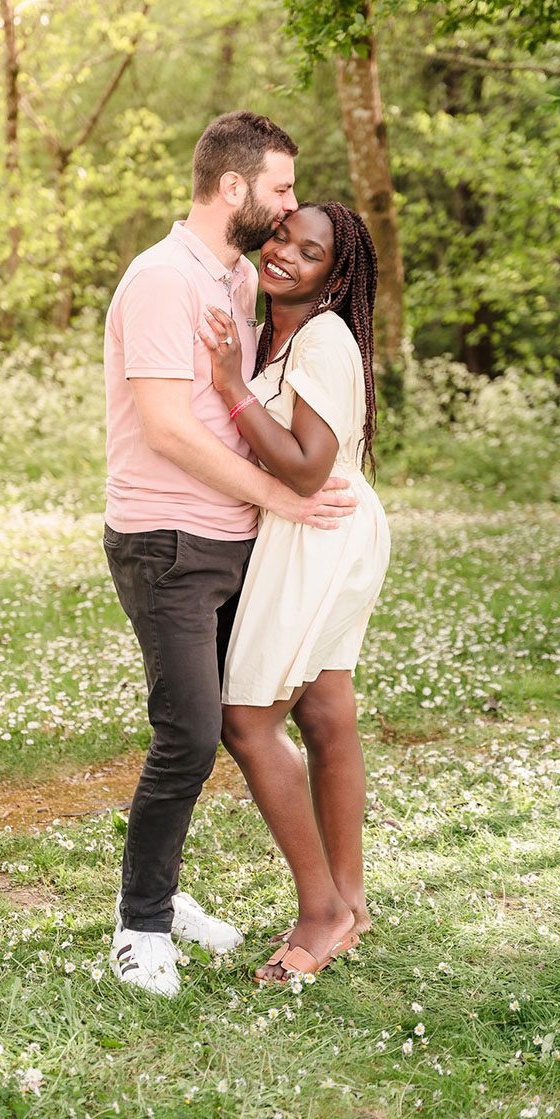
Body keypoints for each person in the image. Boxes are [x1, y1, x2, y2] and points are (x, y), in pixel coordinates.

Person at [102, 113, 358, 997]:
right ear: (236, 187)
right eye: (282, 189)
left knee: (234, 725)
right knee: (189, 735)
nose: (290, 205)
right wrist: (285, 496)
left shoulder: (238, 274)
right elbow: (170, 431)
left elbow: (240, 400)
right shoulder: (162, 281)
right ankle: (141, 927)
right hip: (168, 539)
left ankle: (170, 899)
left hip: (235, 537)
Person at [199, 201, 390, 983]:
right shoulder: (280, 329)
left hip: (321, 527)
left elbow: (309, 466)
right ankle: (350, 902)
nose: (284, 254)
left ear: (335, 274)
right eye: (281, 235)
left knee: (247, 720)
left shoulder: (323, 336)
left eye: (308, 252)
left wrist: (227, 386)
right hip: (322, 529)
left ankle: (324, 912)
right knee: (323, 707)